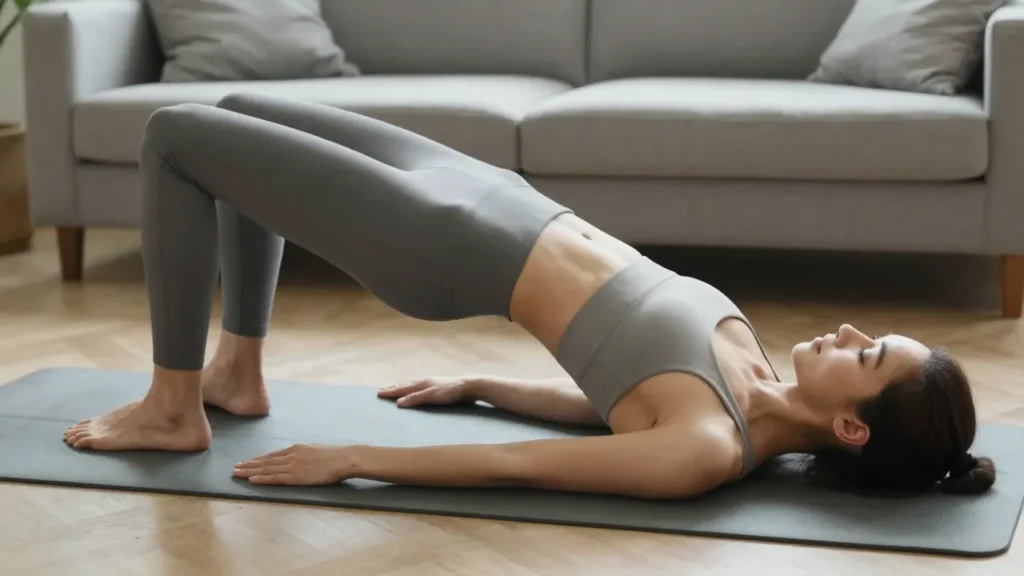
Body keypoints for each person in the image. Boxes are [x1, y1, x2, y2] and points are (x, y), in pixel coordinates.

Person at [62, 93, 996, 499]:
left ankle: (172, 406)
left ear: (852, 430)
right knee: (233, 119)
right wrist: (484, 384)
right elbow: (610, 403)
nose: (847, 331)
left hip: (441, 243)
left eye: (867, 354)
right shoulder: (750, 370)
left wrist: (355, 456)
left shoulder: (709, 449)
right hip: (497, 196)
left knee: (175, 135)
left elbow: (523, 470)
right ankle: (236, 375)